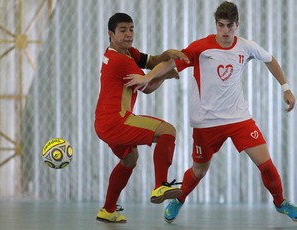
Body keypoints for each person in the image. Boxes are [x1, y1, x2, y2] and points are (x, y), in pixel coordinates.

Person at [124, 1, 297, 223]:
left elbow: (270, 60)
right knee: (198, 171)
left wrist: (286, 88)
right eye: (221, 25)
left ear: (238, 25)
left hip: (239, 119)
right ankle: (179, 200)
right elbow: (170, 64)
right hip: (206, 122)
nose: (225, 31)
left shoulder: (246, 46)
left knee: (266, 165)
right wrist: (147, 77)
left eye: (230, 26)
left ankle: (281, 202)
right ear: (216, 24)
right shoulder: (200, 47)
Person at [94, 13, 189, 223]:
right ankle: (160, 186)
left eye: (131, 29)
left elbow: (151, 61)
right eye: (122, 30)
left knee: (129, 159)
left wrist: (166, 54)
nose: (129, 34)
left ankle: (108, 210)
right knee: (168, 131)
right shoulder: (120, 60)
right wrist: (168, 72)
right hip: (116, 121)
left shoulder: (125, 52)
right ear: (111, 34)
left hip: (104, 122)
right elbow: (149, 86)